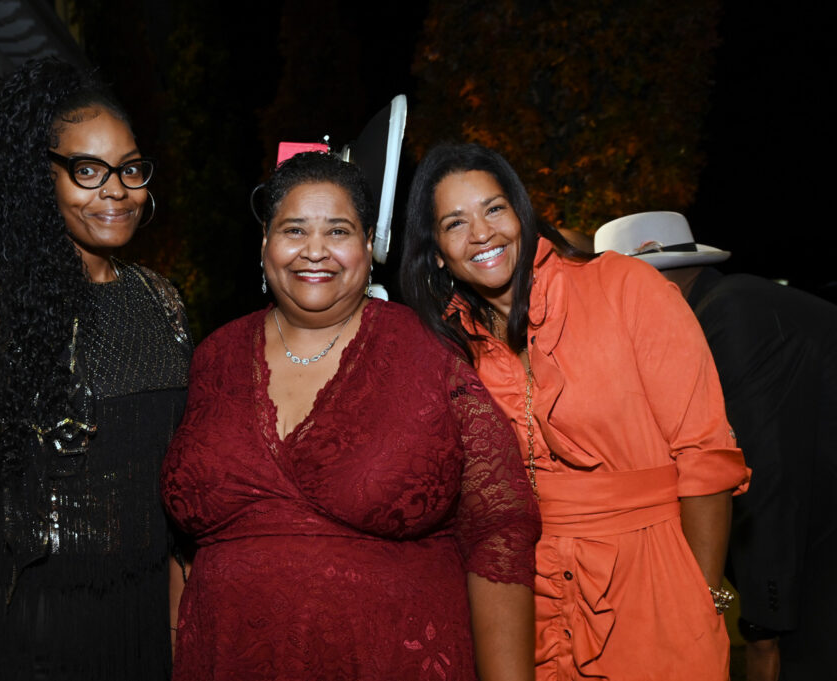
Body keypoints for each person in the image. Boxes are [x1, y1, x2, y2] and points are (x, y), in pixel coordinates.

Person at [161, 151, 541, 681]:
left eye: (338, 231)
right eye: (294, 230)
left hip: (393, 660)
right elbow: (183, 547)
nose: (315, 250)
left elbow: (498, 532)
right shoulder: (214, 356)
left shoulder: (425, 353)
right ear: (265, 242)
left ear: (368, 246)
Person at [0, 58, 190, 681]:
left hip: (140, 630)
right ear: (39, 179)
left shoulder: (160, 300)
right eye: (88, 171)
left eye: (130, 169)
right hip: (30, 641)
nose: (117, 190)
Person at [399, 143, 749, 681]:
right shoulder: (451, 345)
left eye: (494, 208)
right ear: (438, 252)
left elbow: (705, 455)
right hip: (529, 596)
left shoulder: (626, 287)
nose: (482, 233)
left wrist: (700, 594)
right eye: (455, 222)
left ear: (522, 213)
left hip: (652, 584)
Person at [595, 211, 837, 681]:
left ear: (646, 277)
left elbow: (764, 475)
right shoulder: (723, 304)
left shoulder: (727, 315)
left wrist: (763, 627)